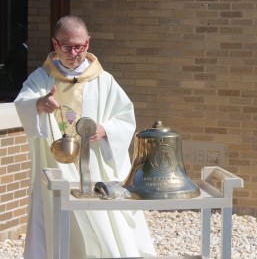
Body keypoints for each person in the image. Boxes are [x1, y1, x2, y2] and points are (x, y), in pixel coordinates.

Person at [14, 15, 156, 259]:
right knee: (57, 217)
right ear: (55, 44)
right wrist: (39, 103)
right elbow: (22, 102)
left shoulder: (103, 80)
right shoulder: (42, 77)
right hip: (56, 165)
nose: (73, 52)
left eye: (79, 46)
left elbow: (125, 117)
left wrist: (105, 130)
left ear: (88, 43)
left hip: (94, 164)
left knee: (101, 222)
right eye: (66, 46)